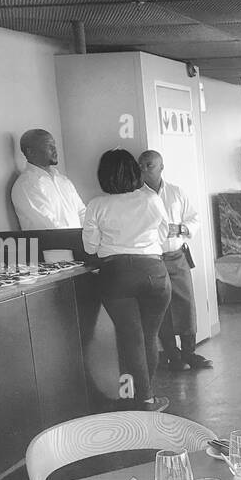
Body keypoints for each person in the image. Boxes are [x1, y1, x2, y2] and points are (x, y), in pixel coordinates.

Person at [82, 150, 172, 413]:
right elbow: (163, 236)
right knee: (148, 336)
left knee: (131, 339)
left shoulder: (96, 205)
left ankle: (140, 400)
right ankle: (146, 397)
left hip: (117, 275)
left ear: (103, 175)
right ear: (135, 172)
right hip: (154, 272)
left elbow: (90, 247)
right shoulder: (151, 199)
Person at [138, 150, 212, 371]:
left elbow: (194, 218)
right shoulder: (136, 196)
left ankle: (190, 353)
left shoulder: (176, 192)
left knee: (186, 303)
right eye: (141, 165)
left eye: (149, 165)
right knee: (163, 307)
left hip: (177, 256)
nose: (144, 169)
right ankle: (172, 355)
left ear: (161, 167)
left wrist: (180, 228)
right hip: (153, 259)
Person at [11, 129, 85, 230]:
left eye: (54, 145)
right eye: (48, 146)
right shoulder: (27, 184)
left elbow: (82, 212)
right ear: (31, 151)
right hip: (56, 245)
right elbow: (49, 227)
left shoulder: (63, 180)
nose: (54, 149)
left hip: (79, 242)